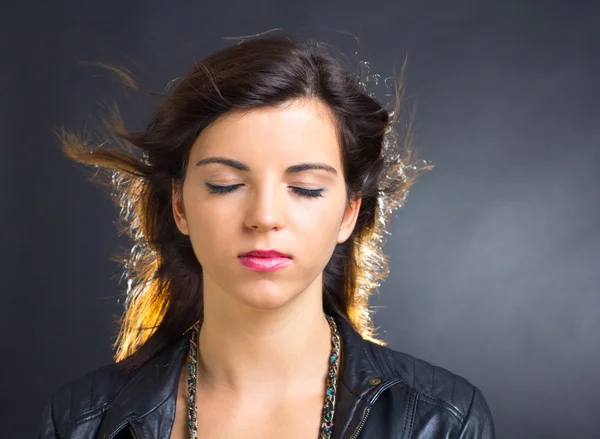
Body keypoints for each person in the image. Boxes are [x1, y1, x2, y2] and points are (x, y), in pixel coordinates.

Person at [37, 34, 495, 439]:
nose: (264, 217)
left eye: (305, 188)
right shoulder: (82, 421)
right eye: (225, 184)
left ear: (349, 212)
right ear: (180, 205)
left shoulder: (442, 421)